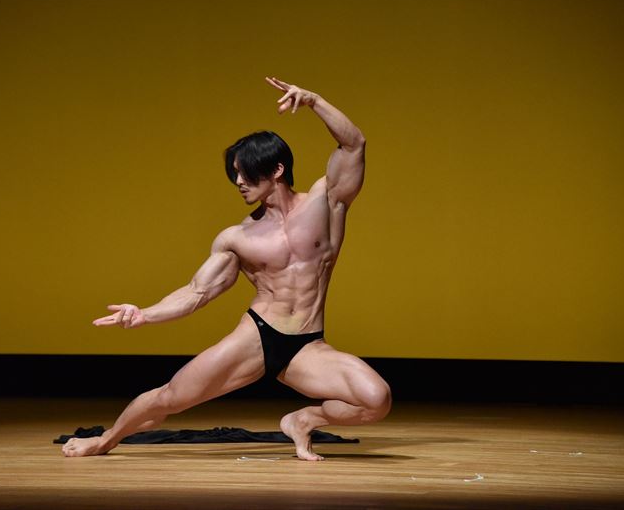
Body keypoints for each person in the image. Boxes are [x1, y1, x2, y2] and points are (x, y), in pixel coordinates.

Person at [62, 77, 391, 461]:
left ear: (277, 169)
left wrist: (313, 101)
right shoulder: (238, 237)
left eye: (246, 173)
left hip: (306, 345)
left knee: (376, 399)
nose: (238, 182)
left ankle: (302, 421)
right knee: (171, 397)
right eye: (234, 174)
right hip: (257, 336)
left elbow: (354, 144)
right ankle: (105, 440)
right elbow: (196, 292)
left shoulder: (326, 202)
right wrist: (145, 314)